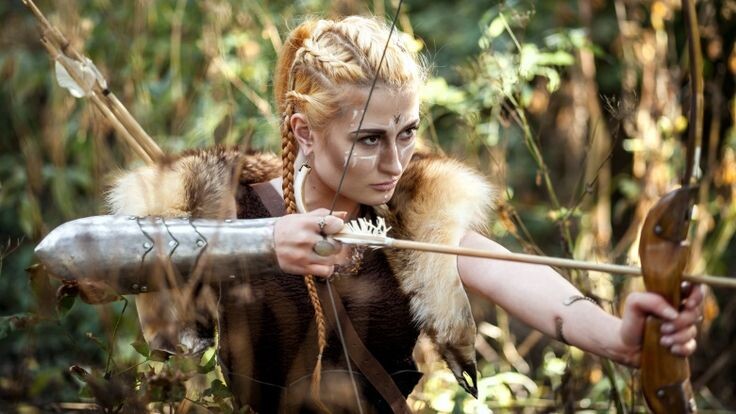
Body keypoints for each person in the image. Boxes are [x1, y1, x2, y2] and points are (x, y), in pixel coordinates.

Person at [95, 15, 702, 413]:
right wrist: (263, 241)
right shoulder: (229, 205)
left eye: (407, 132)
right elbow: (83, 255)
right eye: (369, 139)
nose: (394, 162)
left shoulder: (411, 218)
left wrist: (618, 337)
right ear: (303, 132)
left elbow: (511, 271)